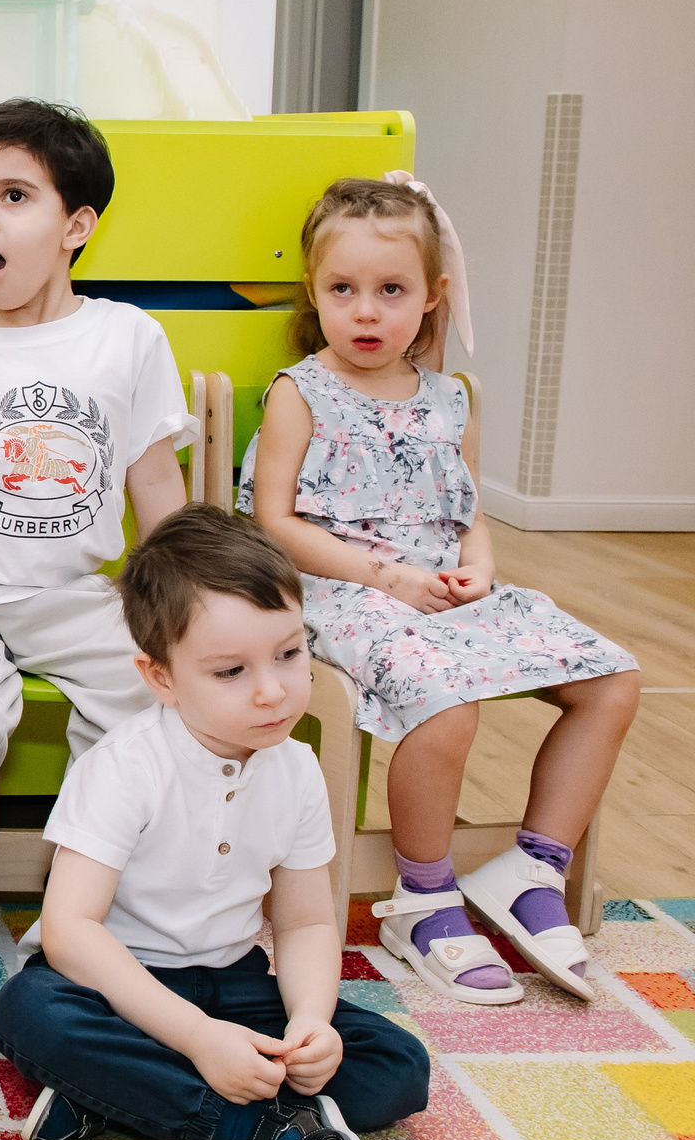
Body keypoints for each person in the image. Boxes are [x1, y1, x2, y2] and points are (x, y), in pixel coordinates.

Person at [242, 173, 638, 1003]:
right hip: (341, 590)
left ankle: (534, 867)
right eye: (342, 289)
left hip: (442, 589)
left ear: (432, 296)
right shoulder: (301, 394)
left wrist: (479, 564)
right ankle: (420, 898)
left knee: (612, 680)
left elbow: (469, 512)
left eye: (391, 290)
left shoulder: (449, 400)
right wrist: (386, 575)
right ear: (314, 293)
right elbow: (273, 523)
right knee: (447, 699)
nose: (366, 311)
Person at [0, 504, 432, 1140]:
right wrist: (197, 1037)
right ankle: (266, 1138)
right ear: (159, 676)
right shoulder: (126, 766)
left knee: (398, 1065)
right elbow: (70, 933)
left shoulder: (295, 769)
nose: (271, 690)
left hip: (236, 982)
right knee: (29, 1015)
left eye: (290, 654)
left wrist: (310, 1023)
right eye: (232, 670)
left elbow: (306, 920)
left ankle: (121, 1098)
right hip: (116, 984)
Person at [0, 100, 193, 989]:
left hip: (72, 591)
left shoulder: (128, 337)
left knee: (149, 704)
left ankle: (80, 903)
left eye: (13, 195)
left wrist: (180, 613)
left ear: (77, 225)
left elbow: (154, 485)